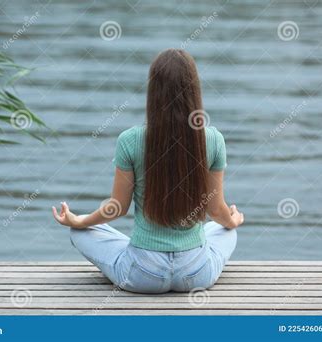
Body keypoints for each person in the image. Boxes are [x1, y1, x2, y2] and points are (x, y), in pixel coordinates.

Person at [52, 49, 244, 293]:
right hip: (195, 275)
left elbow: (117, 208)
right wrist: (232, 220)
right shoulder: (213, 139)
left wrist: (80, 220)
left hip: (142, 274)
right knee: (225, 229)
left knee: (81, 232)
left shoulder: (130, 140)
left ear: (153, 92)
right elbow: (216, 209)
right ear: (194, 90)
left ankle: (124, 247)